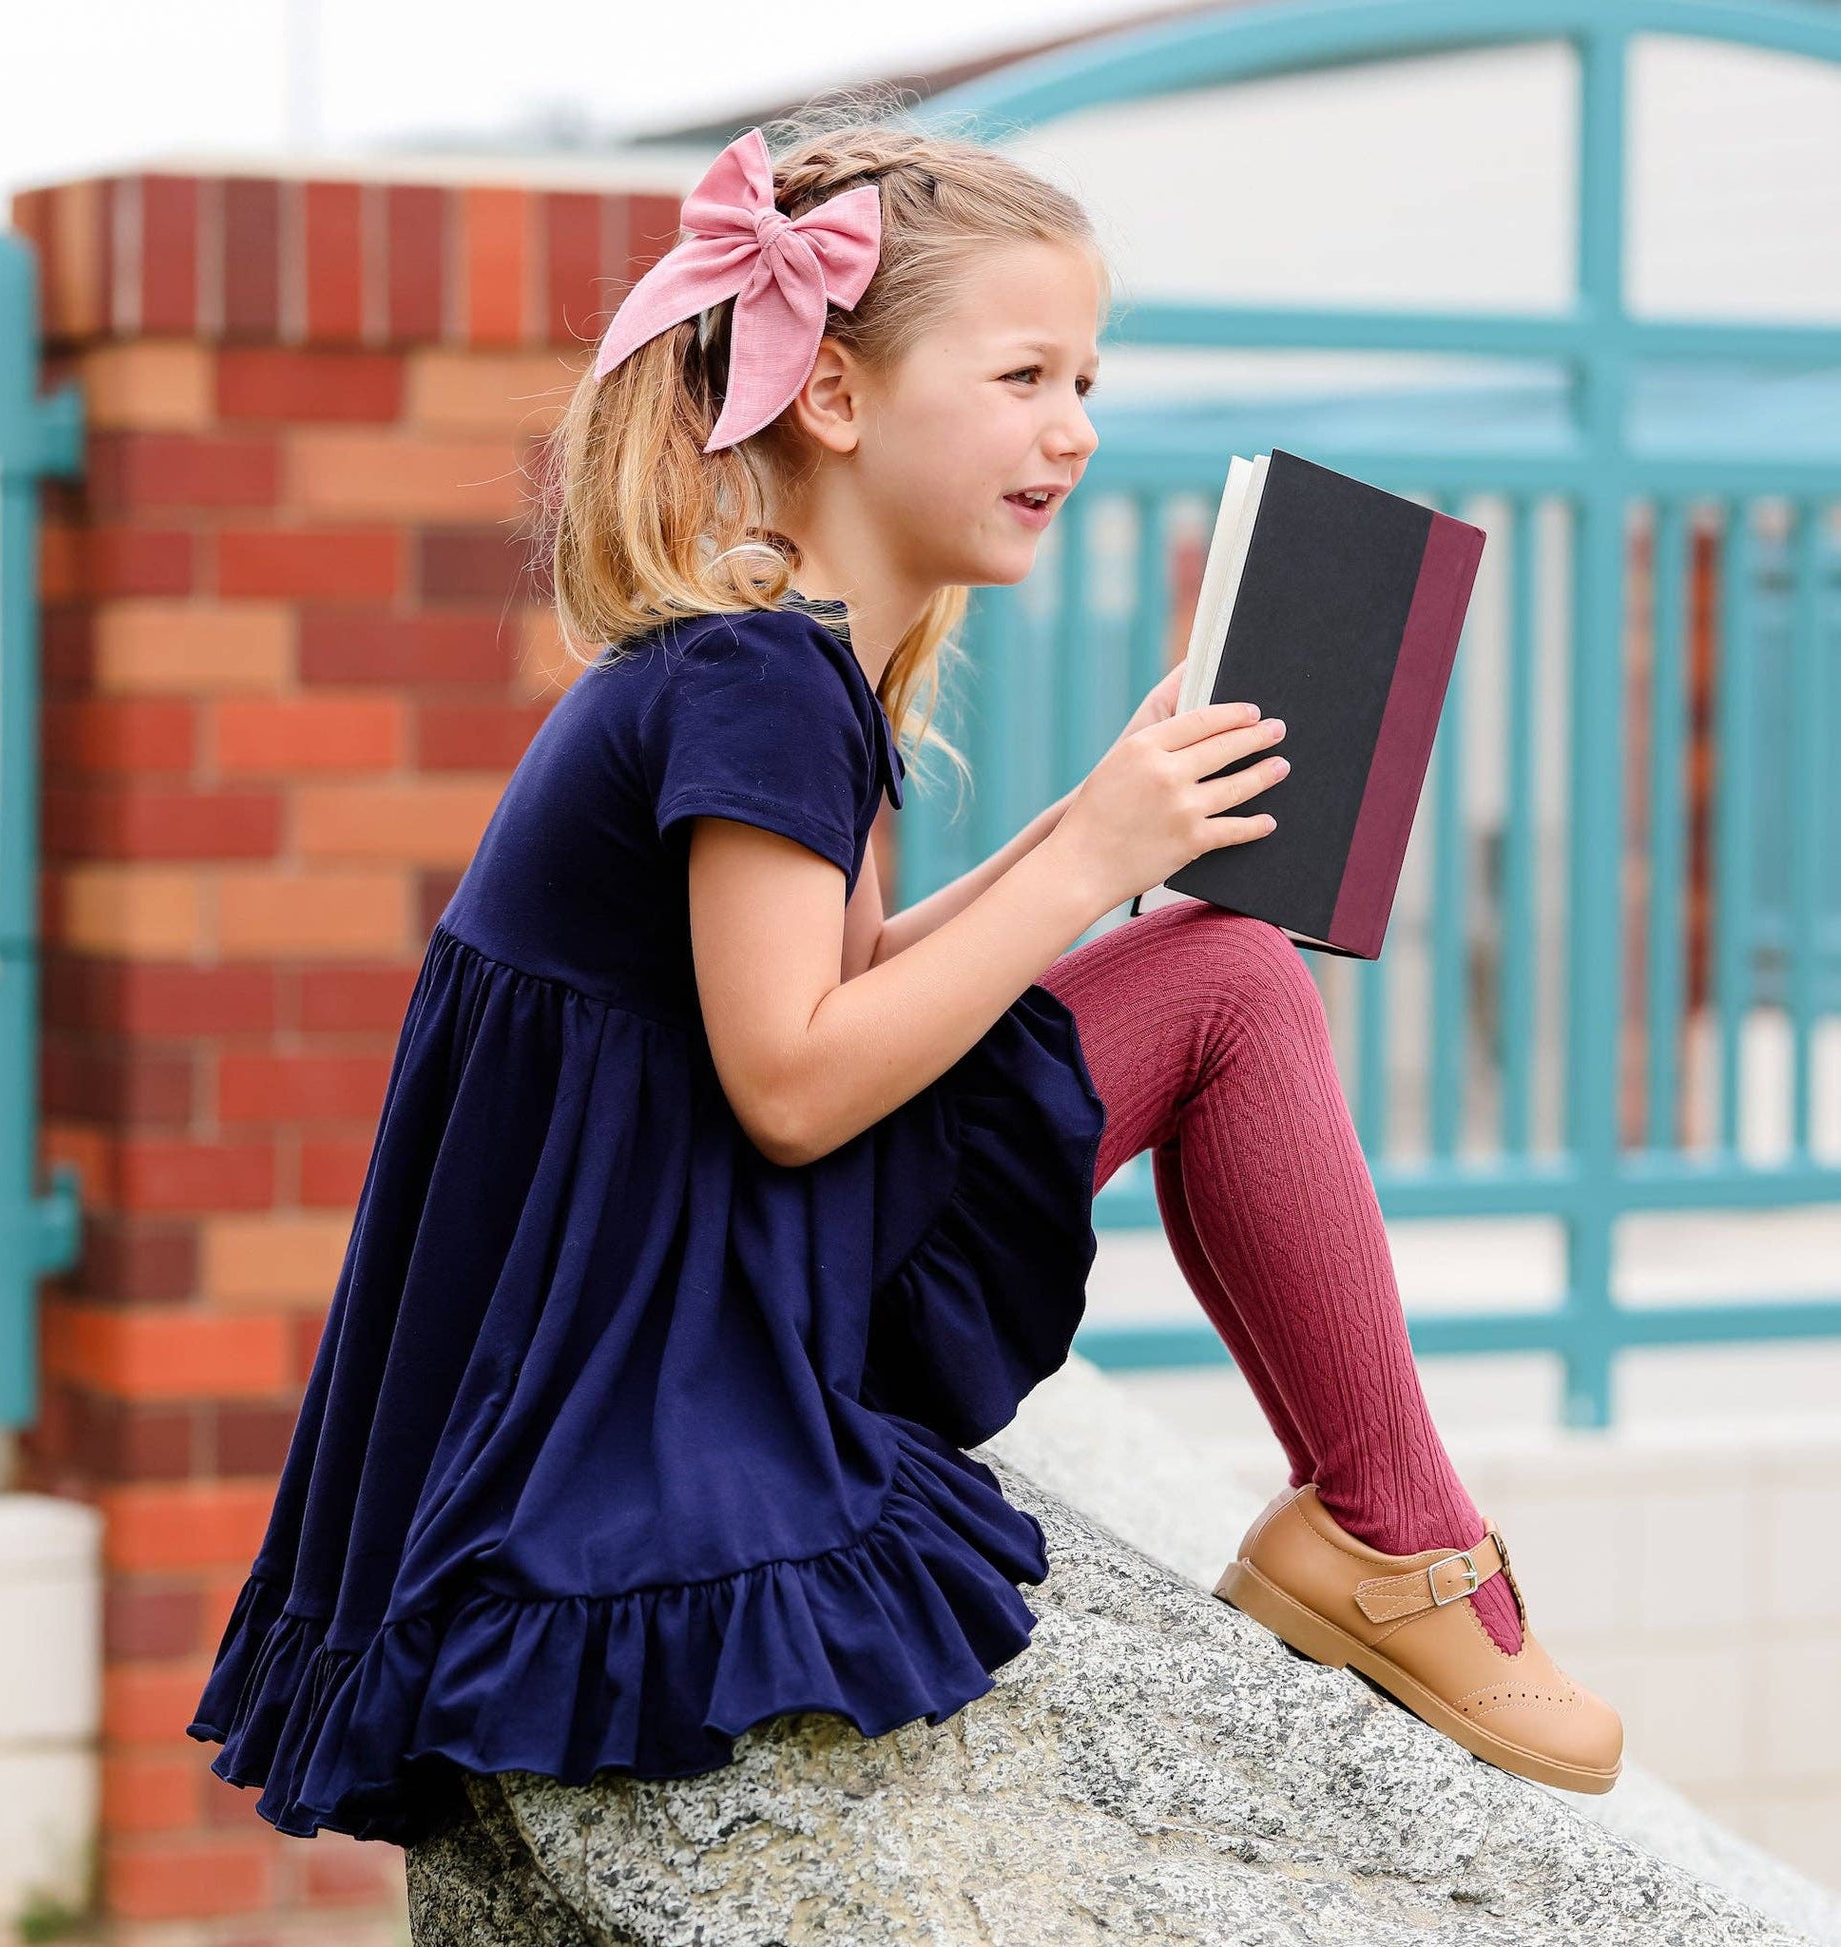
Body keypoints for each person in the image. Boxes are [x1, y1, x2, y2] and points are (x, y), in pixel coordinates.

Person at [186, 105, 1621, 1846]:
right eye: (1024, 376)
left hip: (663, 1264)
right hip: (662, 1326)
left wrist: (1083, 842)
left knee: (1211, 946)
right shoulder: (760, 679)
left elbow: (840, 983)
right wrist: (1096, 867)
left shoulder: (776, 660)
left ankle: (1383, 1535)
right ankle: (1399, 1539)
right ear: (838, 397)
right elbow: (794, 1084)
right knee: (1235, 979)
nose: (1073, 431)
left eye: (1087, 382)